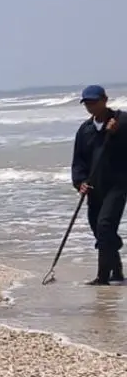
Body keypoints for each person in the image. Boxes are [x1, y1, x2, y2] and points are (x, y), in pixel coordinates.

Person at [71, 85, 126, 285]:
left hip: (118, 185)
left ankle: (102, 278)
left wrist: (116, 134)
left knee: (104, 226)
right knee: (100, 229)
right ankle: (117, 272)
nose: (91, 107)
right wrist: (80, 182)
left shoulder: (122, 121)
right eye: (87, 103)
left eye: (94, 102)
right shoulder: (85, 130)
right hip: (94, 187)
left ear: (105, 99)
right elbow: (78, 162)